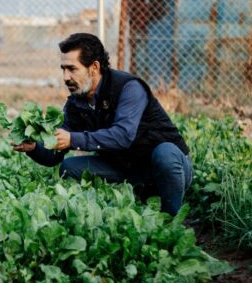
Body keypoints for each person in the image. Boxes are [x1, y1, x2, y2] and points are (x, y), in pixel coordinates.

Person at [13, 33, 192, 216]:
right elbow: (54, 155)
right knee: (69, 168)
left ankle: (172, 218)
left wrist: (74, 139)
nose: (66, 77)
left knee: (166, 153)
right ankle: (133, 196)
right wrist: (34, 147)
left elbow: (122, 135)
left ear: (94, 67)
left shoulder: (129, 88)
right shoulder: (77, 102)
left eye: (72, 69)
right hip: (126, 168)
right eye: (63, 69)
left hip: (164, 166)